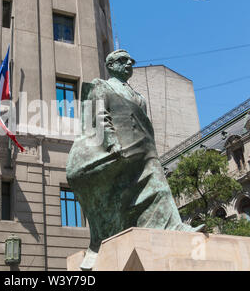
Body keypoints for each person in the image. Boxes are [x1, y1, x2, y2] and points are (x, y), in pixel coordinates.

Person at [66, 49, 203, 270]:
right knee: (129, 194)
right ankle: (103, 240)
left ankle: (174, 227)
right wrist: (111, 143)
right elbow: (99, 116)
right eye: (123, 60)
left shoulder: (139, 97)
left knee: (159, 187)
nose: (129, 63)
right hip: (116, 150)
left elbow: (146, 127)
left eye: (131, 60)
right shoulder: (102, 86)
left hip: (144, 151)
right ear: (110, 65)